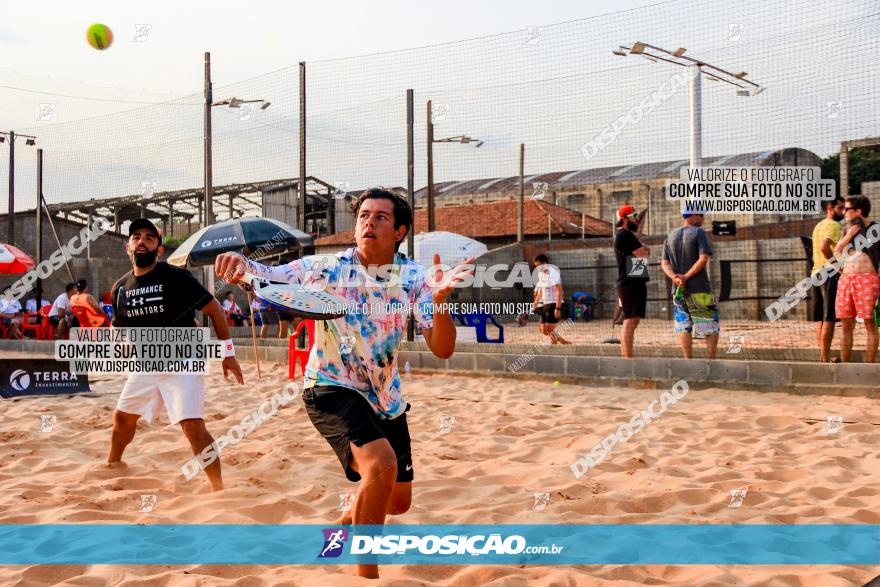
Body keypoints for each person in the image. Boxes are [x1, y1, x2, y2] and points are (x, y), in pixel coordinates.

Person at [215, 188, 472, 579]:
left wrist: (439, 303)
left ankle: (340, 529)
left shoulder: (415, 277)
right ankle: (367, 574)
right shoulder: (327, 268)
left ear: (400, 230)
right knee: (381, 466)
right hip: (330, 386)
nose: (369, 222)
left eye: (381, 217)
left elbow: (443, 349)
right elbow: (265, 274)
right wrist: (240, 263)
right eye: (364, 216)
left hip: (386, 397)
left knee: (397, 501)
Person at [107, 218, 244, 491]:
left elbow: (214, 309)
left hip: (183, 361)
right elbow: (119, 326)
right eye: (136, 236)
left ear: (158, 248)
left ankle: (218, 488)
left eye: (149, 237)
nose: (142, 241)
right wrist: (118, 343)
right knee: (122, 418)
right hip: (145, 364)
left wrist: (228, 354)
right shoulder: (120, 288)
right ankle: (113, 464)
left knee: (192, 427)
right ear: (128, 246)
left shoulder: (176, 277)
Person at [661, 212, 719, 359]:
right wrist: (686, 276)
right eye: (701, 215)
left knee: (683, 326)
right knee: (708, 326)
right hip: (699, 288)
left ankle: (688, 361)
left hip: (678, 291)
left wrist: (674, 277)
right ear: (693, 216)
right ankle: (711, 361)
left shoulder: (670, 236)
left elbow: (664, 262)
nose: (703, 218)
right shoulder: (699, 232)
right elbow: (704, 257)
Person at [834, 196, 880, 363]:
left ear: (858, 211)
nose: (844, 212)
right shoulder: (849, 230)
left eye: (847, 209)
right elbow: (836, 253)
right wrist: (849, 235)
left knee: (869, 323)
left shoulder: (876, 229)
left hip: (868, 280)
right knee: (846, 324)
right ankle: (845, 366)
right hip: (847, 280)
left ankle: (869, 366)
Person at [811, 196, 845, 362]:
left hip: (816, 273)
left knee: (821, 319)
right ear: (830, 209)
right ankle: (824, 359)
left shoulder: (819, 225)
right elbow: (825, 248)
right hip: (828, 273)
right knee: (829, 317)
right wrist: (839, 268)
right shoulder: (834, 225)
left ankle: (823, 356)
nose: (843, 211)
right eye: (840, 208)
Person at [613, 205, 650, 358]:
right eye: (633, 215)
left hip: (633, 281)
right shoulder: (625, 236)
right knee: (630, 319)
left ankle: (627, 356)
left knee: (633, 319)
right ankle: (627, 358)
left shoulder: (627, 236)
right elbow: (644, 255)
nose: (636, 218)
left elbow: (641, 257)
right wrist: (645, 250)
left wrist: (644, 251)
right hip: (630, 284)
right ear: (624, 219)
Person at [532, 254, 571, 344]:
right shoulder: (541, 274)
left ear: (545, 263)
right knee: (544, 330)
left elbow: (560, 291)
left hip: (554, 303)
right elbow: (541, 291)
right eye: (536, 266)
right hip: (545, 303)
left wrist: (558, 308)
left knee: (550, 328)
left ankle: (556, 346)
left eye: (538, 266)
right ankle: (564, 342)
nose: (537, 268)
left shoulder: (553, 273)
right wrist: (535, 303)